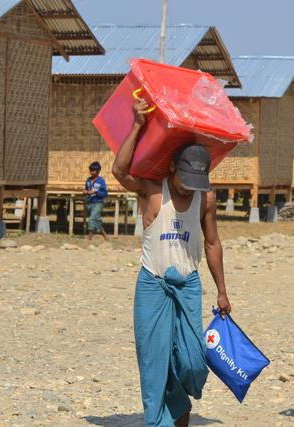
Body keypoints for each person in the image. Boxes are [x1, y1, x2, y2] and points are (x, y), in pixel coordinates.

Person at [112, 98, 231, 427]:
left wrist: (222, 291)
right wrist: (138, 124)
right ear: (173, 169)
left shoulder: (206, 199)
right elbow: (119, 171)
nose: (190, 188)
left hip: (189, 285)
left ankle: (178, 400)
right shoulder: (152, 191)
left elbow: (212, 242)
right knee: (153, 361)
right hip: (153, 285)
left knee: (192, 360)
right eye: (185, 179)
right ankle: (163, 419)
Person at [83, 161, 108, 241]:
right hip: (90, 202)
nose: (92, 172)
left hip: (98, 202)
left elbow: (105, 193)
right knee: (96, 220)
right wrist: (85, 192)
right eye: (91, 170)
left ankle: (89, 236)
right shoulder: (88, 180)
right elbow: (86, 190)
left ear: (98, 171)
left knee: (91, 218)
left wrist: (96, 192)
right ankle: (104, 235)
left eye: (94, 171)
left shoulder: (101, 181)